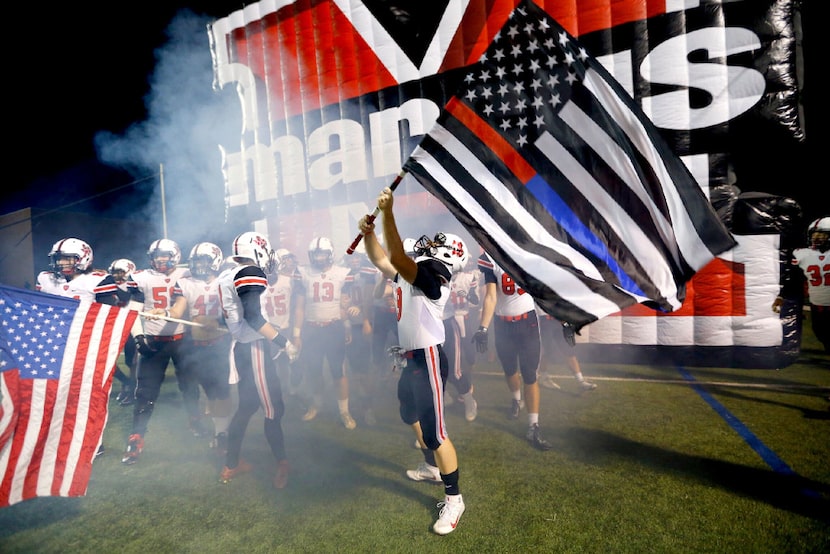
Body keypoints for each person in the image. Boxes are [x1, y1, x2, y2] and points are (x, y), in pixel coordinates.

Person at [359, 187, 467, 535]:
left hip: (430, 358)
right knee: (408, 411)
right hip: (412, 357)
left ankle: (454, 500)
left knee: (436, 433)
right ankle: (431, 468)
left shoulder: (433, 277)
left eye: (437, 244)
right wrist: (369, 233)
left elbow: (399, 258)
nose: (429, 245)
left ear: (446, 256)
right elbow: (381, 260)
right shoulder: (414, 272)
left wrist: (388, 215)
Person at [216, 231, 296, 489]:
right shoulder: (249, 271)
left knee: (247, 406)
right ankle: (282, 462)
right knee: (274, 408)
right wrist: (284, 342)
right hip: (255, 350)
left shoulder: (227, 274)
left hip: (243, 348)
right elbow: (253, 316)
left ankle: (231, 463)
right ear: (258, 251)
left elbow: (235, 313)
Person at [36, 238, 120, 457]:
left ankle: (94, 442)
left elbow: (109, 316)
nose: (61, 263)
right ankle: (59, 440)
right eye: (58, 258)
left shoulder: (98, 280)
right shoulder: (46, 280)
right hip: (56, 347)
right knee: (56, 397)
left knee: (88, 398)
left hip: (86, 347)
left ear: (83, 258)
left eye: (67, 258)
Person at [121, 238, 202, 465]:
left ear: (175, 255)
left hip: (182, 339)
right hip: (154, 342)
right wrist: (139, 338)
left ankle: (195, 420)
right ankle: (136, 438)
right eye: (157, 256)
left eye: (165, 256)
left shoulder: (187, 274)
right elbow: (133, 312)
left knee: (189, 385)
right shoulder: (141, 278)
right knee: (145, 392)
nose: (161, 260)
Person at [475, 252, 553, 451]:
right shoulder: (490, 258)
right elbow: (491, 296)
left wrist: (566, 317)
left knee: (530, 375)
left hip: (528, 323)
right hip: (503, 325)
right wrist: (483, 327)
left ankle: (533, 425)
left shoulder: (527, 252)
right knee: (510, 371)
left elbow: (547, 288)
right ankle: (516, 399)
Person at [292, 236, 357, 429]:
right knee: (314, 371)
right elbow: (299, 307)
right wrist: (296, 334)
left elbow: (344, 304)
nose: (319, 258)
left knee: (339, 371)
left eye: (322, 254)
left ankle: (344, 411)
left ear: (330, 254)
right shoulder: (303, 273)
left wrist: (346, 326)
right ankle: (316, 404)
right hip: (311, 329)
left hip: (333, 327)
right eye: (316, 254)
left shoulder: (342, 273)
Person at [178, 242, 233, 455]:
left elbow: (234, 310)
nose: (200, 265)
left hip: (221, 344)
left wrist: (218, 321)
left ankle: (222, 433)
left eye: (204, 260)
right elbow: (178, 308)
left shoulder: (226, 281)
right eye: (197, 260)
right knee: (210, 390)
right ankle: (222, 429)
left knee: (222, 391)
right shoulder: (186, 283)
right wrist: (165, 312)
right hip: (198, 346)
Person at [776, 217, 830, 352]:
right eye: (814, 233)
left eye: (822, 233)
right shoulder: (802, 254)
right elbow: (793, 278)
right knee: (821, 332)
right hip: (818, 303)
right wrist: (783, 296)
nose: (817, 237)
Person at [344, 247, 381, 425]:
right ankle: (359, 403)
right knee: (354, 370)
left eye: (357, 257)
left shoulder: (369, 272)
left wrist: (365, 317)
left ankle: (368, 407)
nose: (354, 261)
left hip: (364, 325)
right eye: (351, 257)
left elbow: (372, 298)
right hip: (349, 326)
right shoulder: (343, 274)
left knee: (365, 370)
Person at [442, 261, 479, 421]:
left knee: (454, 372)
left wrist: (468, 294)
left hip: (452, 321)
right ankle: (443, 397)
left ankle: (469, 401)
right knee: (434, 370)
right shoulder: (433, 273)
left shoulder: (467, 277)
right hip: (431, 326)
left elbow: (476, 300)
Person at [263, 248, 301, 395]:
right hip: (267, 330)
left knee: (291, 362)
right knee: (271, 364)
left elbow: (296, 305)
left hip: (285, 328)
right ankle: (279, 390)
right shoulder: (260, 283)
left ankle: (289, 389)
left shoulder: (289, 281)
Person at [537, 307, 597, 392]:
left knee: (568, 350)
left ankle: (581, 381)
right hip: (542, 320)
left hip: (558, 318)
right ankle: (543, 377)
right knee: (545, 349)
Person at [109, 258, 138, 406]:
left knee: (131, 361)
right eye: (113, 272)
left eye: (119, 272)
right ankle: (126, 382)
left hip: (130, 326)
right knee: (107, 361)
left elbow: (126, 297)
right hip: (113, 326)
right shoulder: (109, 285)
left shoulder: (133, 285)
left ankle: (132, 388)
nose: (116, 275)